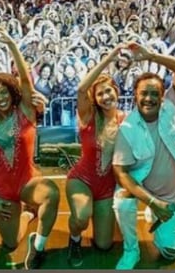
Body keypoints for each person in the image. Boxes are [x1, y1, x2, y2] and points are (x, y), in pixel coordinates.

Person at [0, 28, 60, 269]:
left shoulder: (25, 112)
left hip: (28, 181)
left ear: (11, 92)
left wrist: (11, 44)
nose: (0, 97)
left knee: (52, 193)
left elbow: (25, 79)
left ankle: (38, 246)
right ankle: (27, 214)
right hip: (3, 188)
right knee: (11, 243)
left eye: (3, 92)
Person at [111, 42, 175, 269]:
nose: (149, 98)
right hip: (144, 188)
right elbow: (121, 173)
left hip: (169, 194)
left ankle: (155, 213)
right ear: (135, 96)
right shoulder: (127, 128)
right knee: (122, 201)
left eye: (155, 93)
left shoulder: (173, 106)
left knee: (169, 253)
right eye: (144, 93)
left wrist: (150, 56)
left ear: (163, 96)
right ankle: (131, 250)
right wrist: (152, 202)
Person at [65, 44, 126, 266]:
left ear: (116, 91)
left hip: (107, 186)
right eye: (100, 93)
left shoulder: (125, 119)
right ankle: (74, 239)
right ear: (95, 98)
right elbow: (82, 89)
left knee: (104, 244)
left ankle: (104, 218)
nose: (105, 96)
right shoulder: (88, 116)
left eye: (108, 91)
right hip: (82, 179)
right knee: (81, 217)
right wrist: (108, 58)